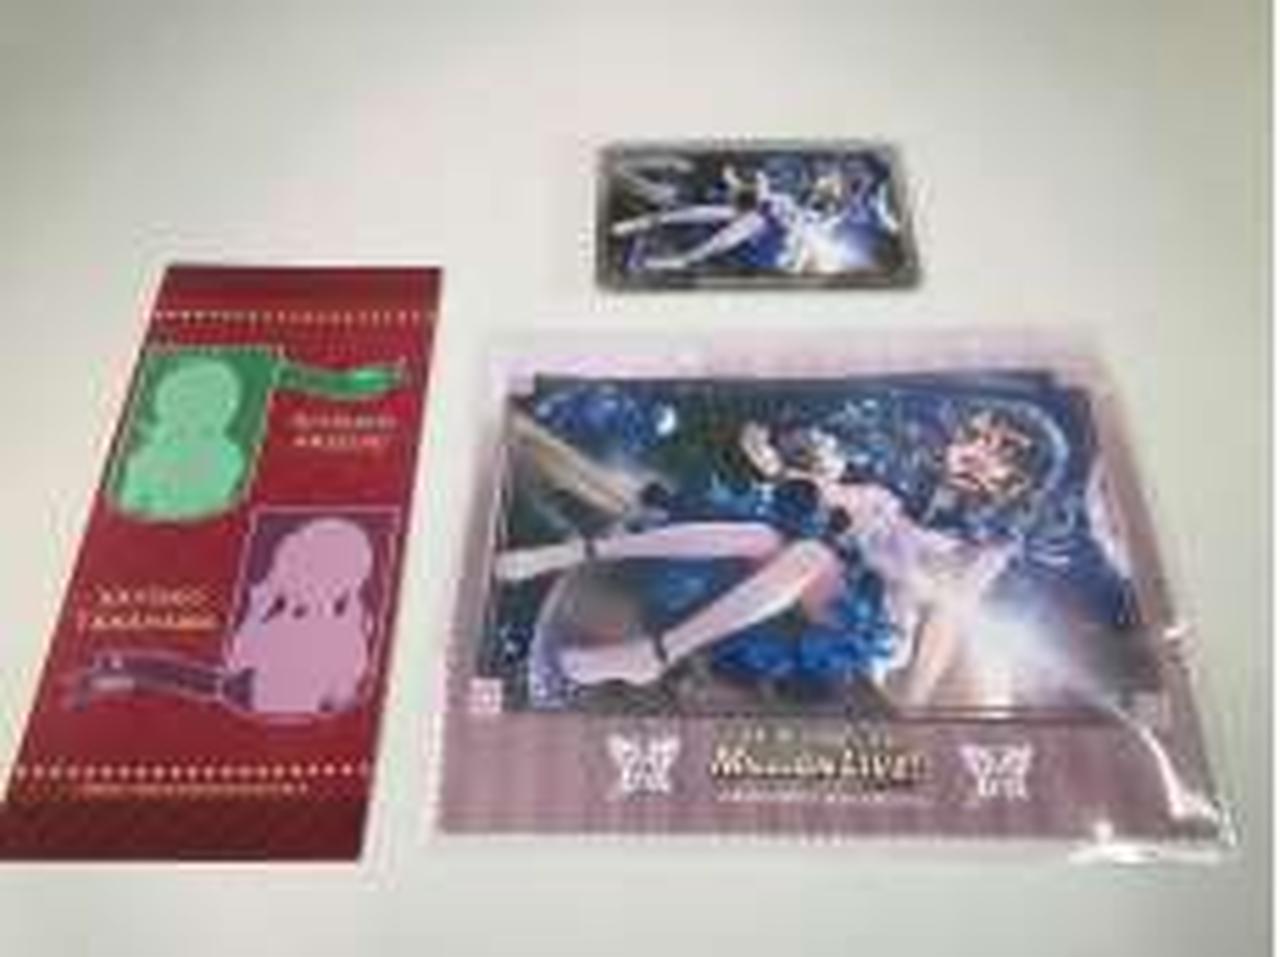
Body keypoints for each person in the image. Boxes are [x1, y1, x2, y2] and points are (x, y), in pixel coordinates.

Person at [496, 417, 1020, 708]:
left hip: (878, 640)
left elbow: (947, 620)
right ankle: (574, 553)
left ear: (1013, 482)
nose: (975, 449)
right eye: (975, 436)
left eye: (997, 450)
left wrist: (913, 705)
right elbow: (822, 492)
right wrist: (777, 465)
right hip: (827, 590)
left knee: (809, 555)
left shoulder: (983, 549)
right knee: (761, 535)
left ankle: (655, 654)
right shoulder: (888, 498)